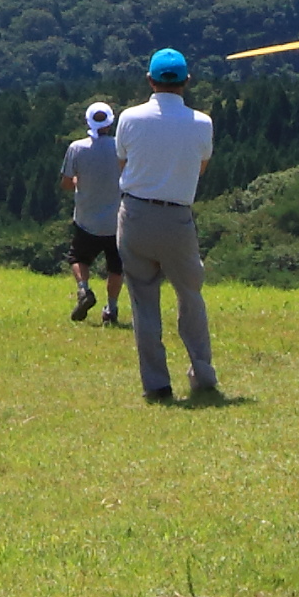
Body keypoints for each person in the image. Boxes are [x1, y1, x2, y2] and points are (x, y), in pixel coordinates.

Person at [112, 50, 219, 403]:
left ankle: (157, 385)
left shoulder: (130, 118)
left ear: (150, 79)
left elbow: (123, 161)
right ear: (186, 81)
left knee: (144, 300)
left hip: (136, 214)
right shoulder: (202, 122)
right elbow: (200, 167)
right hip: (177, 217)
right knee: (190, 294)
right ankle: (202, 369)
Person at [60, 99, 127, 324]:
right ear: (111, 121)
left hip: (86, 217)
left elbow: (67, 183)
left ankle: (83, 289)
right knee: (116, 266)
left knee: (78, 257)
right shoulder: (120, 148)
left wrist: (80, 181)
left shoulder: (77, 148)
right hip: (116, 219)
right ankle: (112, 309)